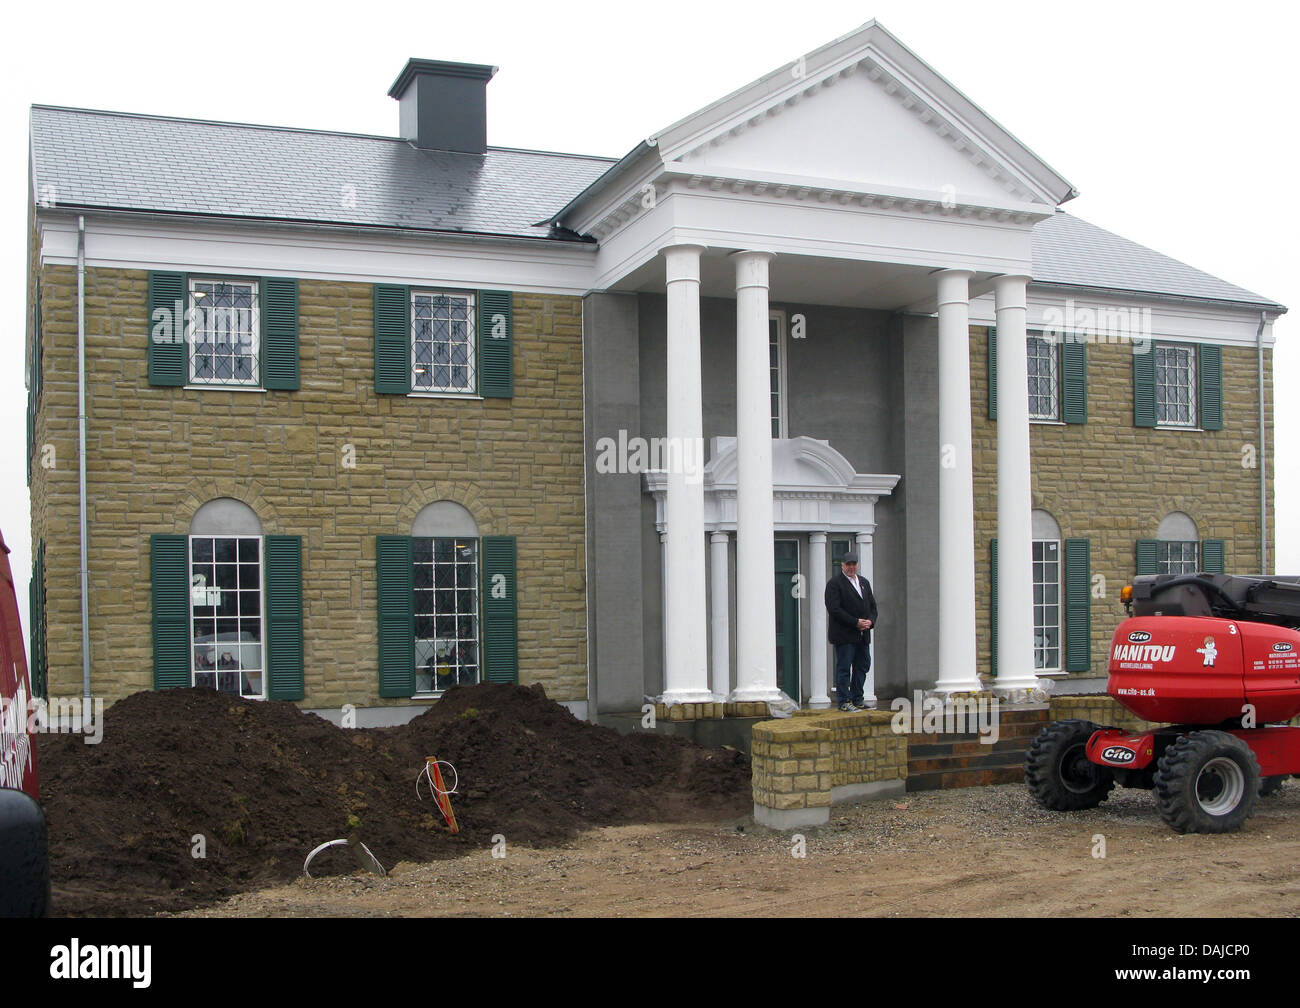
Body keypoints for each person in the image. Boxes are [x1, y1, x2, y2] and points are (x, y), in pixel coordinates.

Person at [824, 552, 876, 712]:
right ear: (843, 566)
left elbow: (872, 606)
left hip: (863, 635)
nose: (851, 567)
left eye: (854, 564)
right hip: (844, 635)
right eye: (848, 564)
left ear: (857, 565)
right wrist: (855, 622)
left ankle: (857, 698)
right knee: (844, 668)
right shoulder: (834, 584)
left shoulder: (864, 583)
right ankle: (843, 701)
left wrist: (870, 621)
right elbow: (834, 609)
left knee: (863, 665)